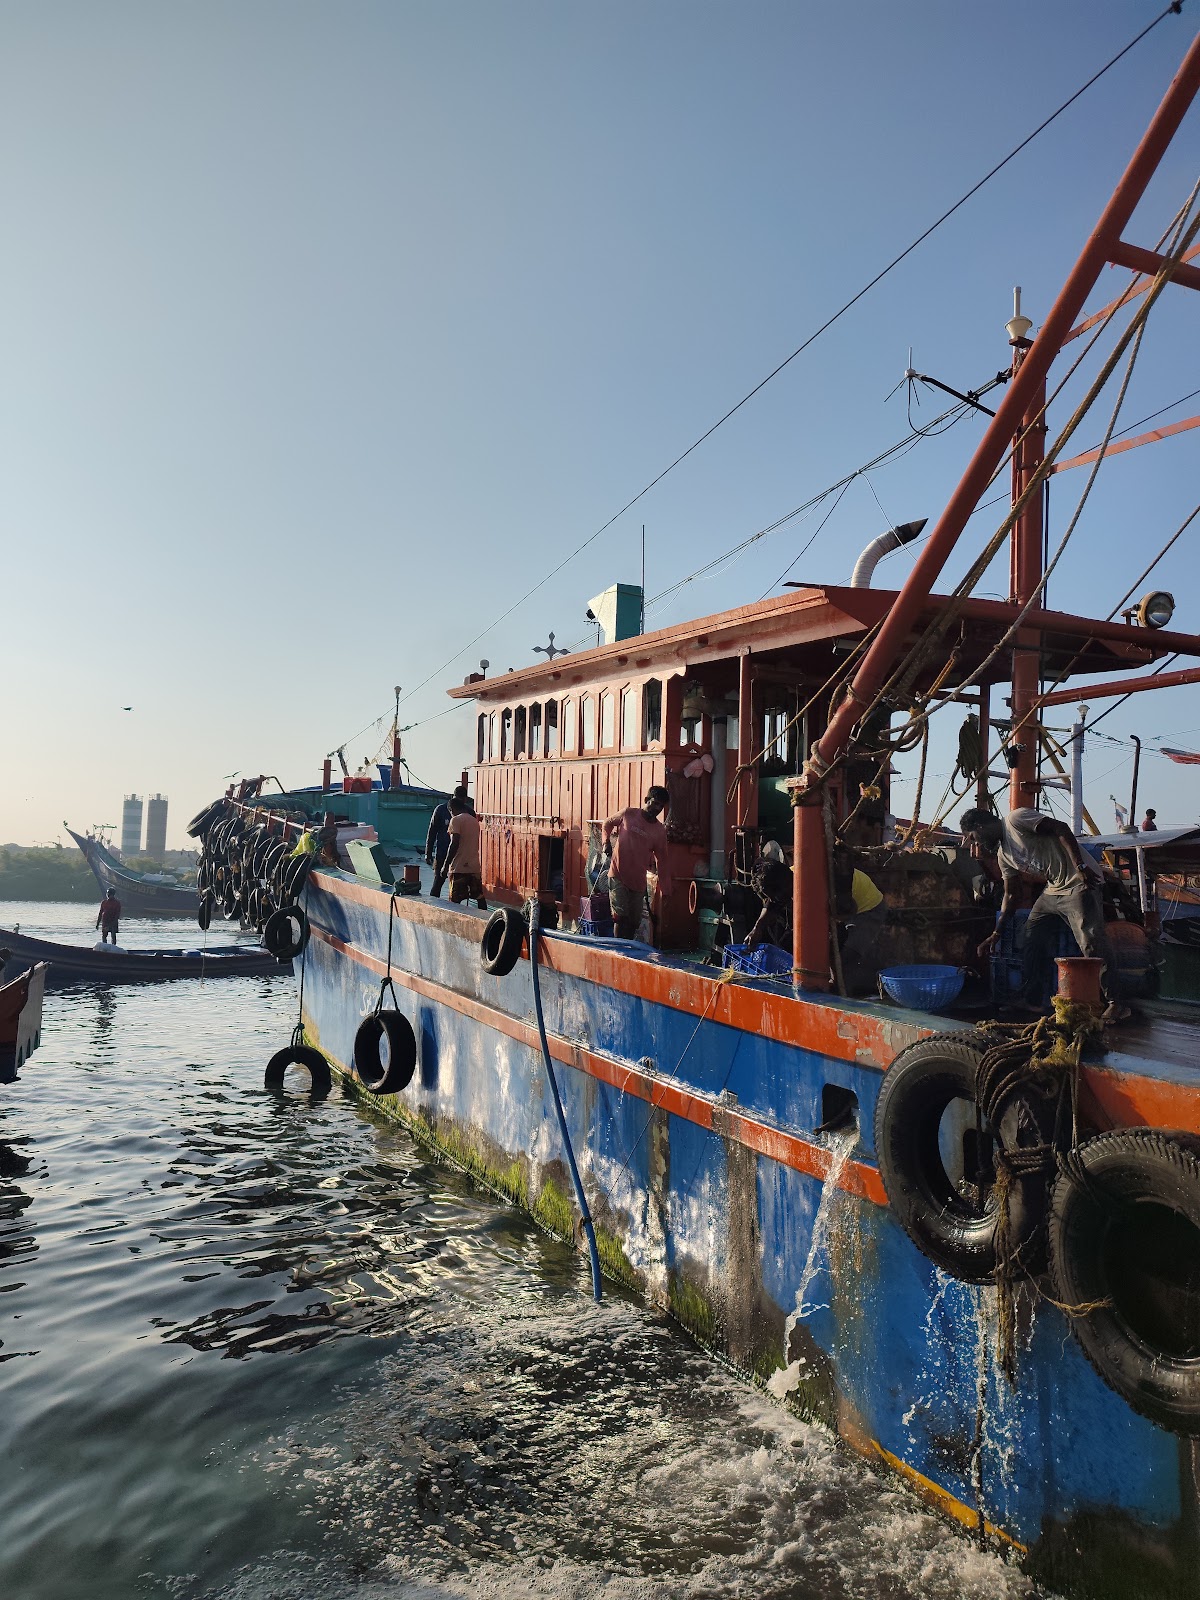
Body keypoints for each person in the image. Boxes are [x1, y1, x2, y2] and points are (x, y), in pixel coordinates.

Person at [960, 806, 1128, 1021]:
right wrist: (997, 933)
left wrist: (1081, 865)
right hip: (1053, 889)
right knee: (1031, 938)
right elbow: (1011, 895)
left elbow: (1061, 828)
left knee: (1091, 940)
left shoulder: (1016, 819)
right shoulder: (1004, 855)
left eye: (974, 837)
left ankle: (1116, 1003)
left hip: (1079, 882)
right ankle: (1033, 1000)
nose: (976, 844)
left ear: (980, 827)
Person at [603, 786, 672, 940]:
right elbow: (607, 823)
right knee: (621, 918)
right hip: (618, 875)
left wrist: (666, 891)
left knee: (634, 922)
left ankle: (628, 952)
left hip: (638, 882)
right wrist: (605, 843)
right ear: (646, 800)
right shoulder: (628, 814)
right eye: (655, 803)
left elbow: (663, 860)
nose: (658, 808)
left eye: (661, 806)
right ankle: (618, 953)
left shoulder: (660, 831)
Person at [833, 848, 886, 993]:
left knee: (849, 954)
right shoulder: (795, 873)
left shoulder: (842, 888)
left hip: (870, 908)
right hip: (846, 906)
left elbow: (850, 909)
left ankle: (844, 992)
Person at [746, 844, 793, 952]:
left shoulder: (810, 890)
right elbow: (772, 904)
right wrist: (757, 928)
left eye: (777, 897)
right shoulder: (784, 883)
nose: (776, 900)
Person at [444, 796, 487, 908]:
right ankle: (485, 920)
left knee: (454, 901)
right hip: (474, 867)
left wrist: (445, 865)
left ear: (451, 809)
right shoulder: (474, 821)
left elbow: (454, 843)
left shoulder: (455, 820)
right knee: (479, 897)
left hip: (459, 867)